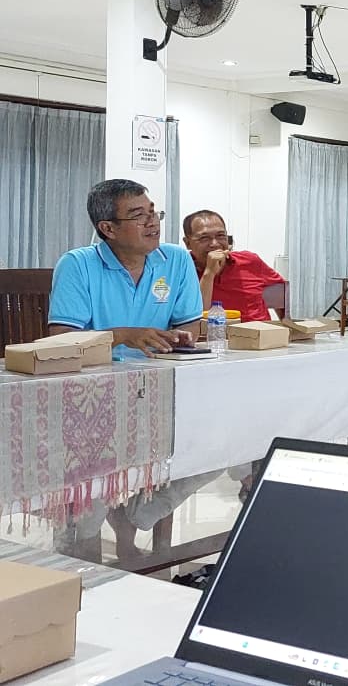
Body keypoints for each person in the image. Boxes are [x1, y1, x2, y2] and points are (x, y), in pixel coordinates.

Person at [48, 179, 212, 560]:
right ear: (107, 228)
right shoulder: (78, 265)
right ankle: (78, 566)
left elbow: (189, 326)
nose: (152, 222)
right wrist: (122, 336)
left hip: (159, 390)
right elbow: (60, 340)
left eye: (154, 212)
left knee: (222, 446)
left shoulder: (175, 259)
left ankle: (139, 512)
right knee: (87, 501)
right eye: (138, 215)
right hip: (93, 399)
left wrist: (181, 339)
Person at [182, 210, 285, 319]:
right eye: (204, 238)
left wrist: (286, 326)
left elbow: (281, 292)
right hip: (215, 333)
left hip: (261, 332)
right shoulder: (181, 269)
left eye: (221, 236)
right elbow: (196, 319)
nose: (215, 244)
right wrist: (209, 273)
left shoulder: (250, 261)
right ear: (187, 243)